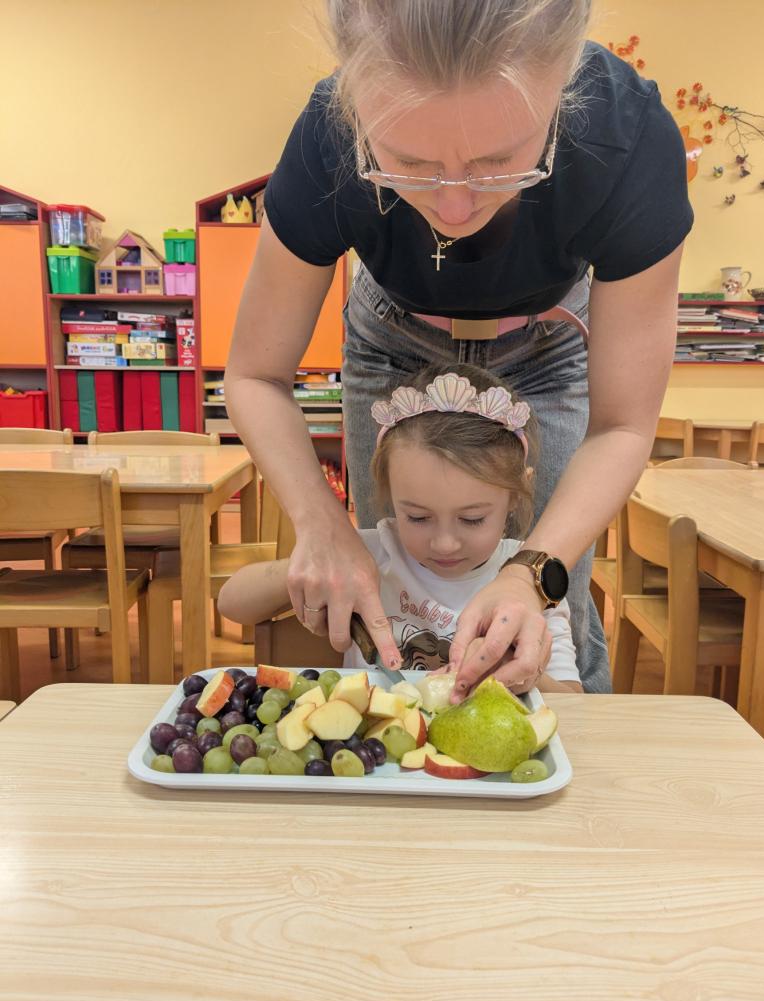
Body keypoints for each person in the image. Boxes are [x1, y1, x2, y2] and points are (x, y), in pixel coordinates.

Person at [225, 0, 692, 698]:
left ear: (565, 89)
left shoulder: (627, 137)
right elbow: (256, 375)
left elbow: (622, 426)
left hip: (551, 338)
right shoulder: (326, 135)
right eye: (407, 164)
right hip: (390, 333)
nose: (452, 210)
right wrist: (321, 526)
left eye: (499, 161)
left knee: (546, 606)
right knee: (391, 585)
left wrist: (530, 575)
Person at [218, 365, 583, 696]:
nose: (444, 543)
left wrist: (524, 674)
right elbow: (231, 602)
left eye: (472, 519)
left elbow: (572, 698)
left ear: (516, 496)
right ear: (390, 493)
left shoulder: (530, 579)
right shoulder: (369, 555)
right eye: (418, 517)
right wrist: (313, 569)